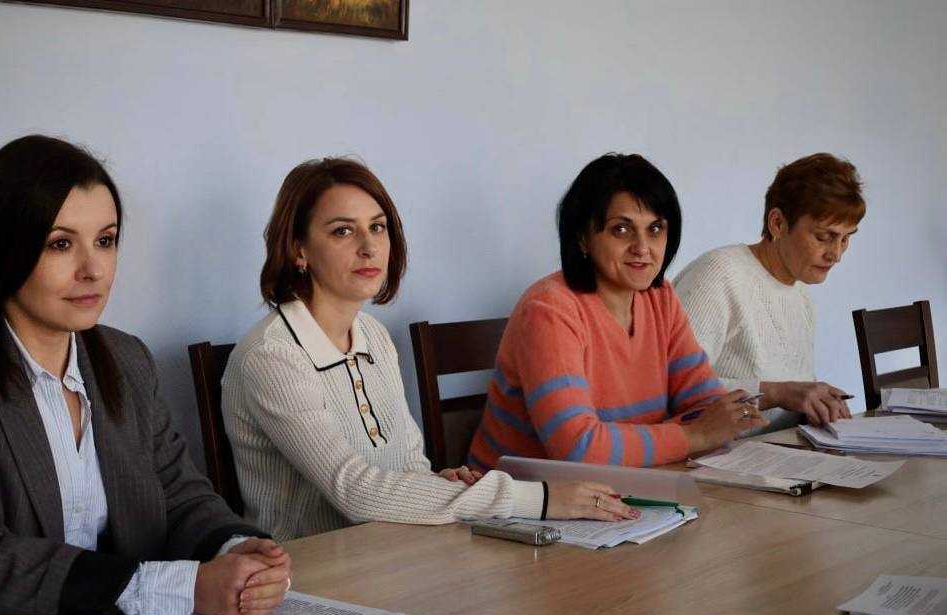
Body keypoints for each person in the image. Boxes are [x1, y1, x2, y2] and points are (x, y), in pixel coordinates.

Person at [0, 136, 290, 615]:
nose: (93, 270)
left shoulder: (128, 359)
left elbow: (179, 496)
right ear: (3, 250)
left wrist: (237, 548)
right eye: (61, 244)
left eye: (105, 241)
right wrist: (185, 587)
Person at [222, 157, 637, 541]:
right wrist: (539, 499)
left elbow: (408, 466)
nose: (369, 247)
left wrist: (440, 482)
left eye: (378, 227)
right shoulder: (271, 356)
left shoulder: (373, 335)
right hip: (311, 572)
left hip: (394, 552)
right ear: (298, 249)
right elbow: (354, 491)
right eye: (342, 231)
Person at [468, 153, 766, 471]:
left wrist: (692, 431)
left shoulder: (660, 297)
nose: (642, 247)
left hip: (629, 482)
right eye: (621, 230)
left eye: (655, 229)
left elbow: (710, 408)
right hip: (521, 494)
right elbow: (578, 449)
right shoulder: (548, 310)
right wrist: (693, 435)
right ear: (582, 237)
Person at [674, 153, 865, 430]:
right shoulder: (718, 275)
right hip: (725, 452)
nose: (836, 254)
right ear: (777, 223)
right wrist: (778, 393)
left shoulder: (800, 295)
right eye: (824, 237)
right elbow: (674, 387)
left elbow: (791, 396)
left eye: (846, 239)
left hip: (779, 450)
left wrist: (816, 405)